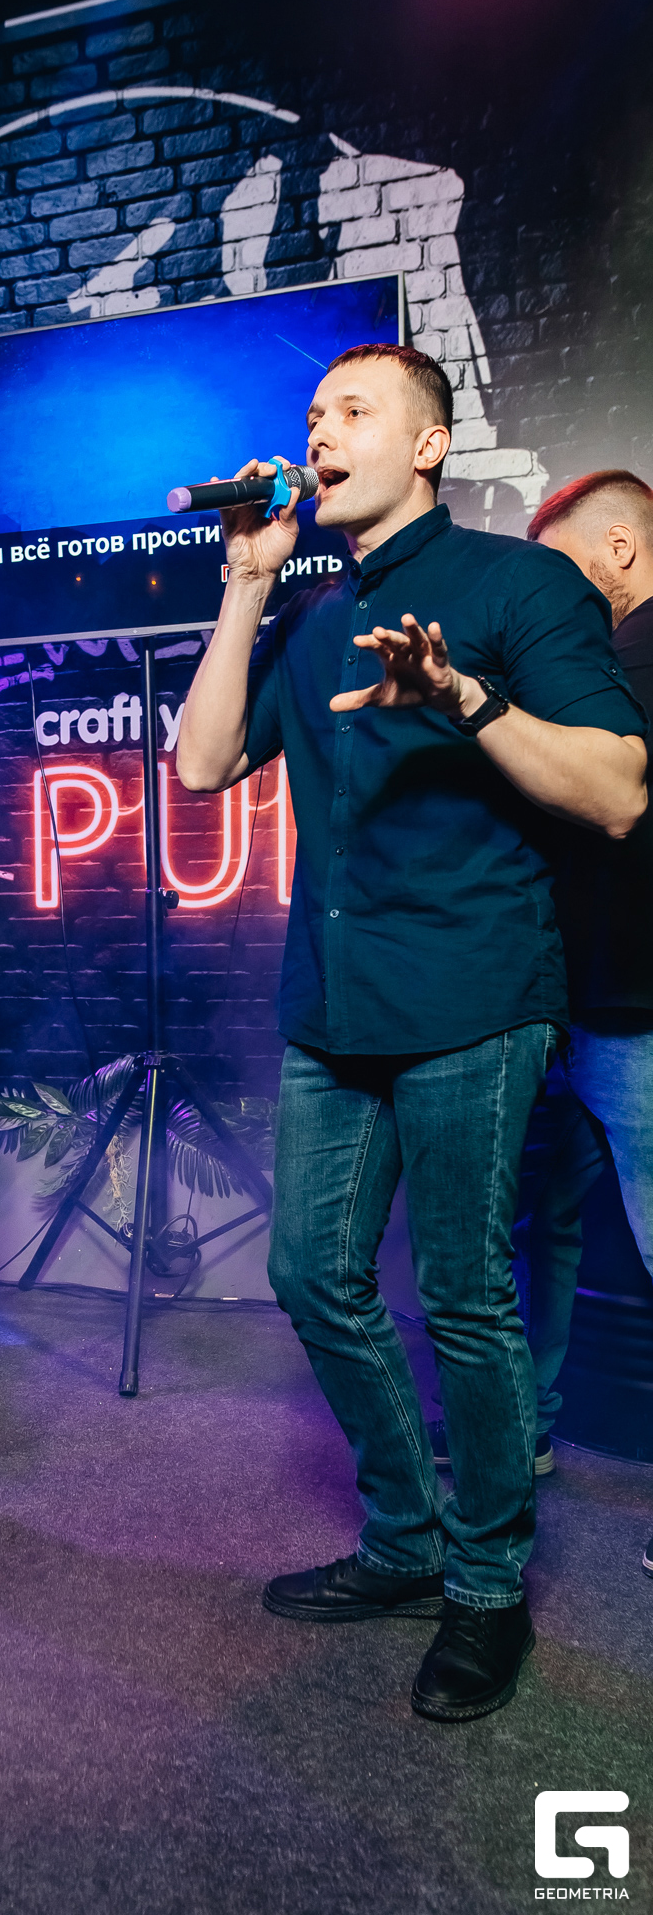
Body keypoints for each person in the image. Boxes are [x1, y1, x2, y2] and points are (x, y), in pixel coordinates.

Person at [177, 344, 648, 1721]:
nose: (317, 432)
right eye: (310, 414)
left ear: (429, 445)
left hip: (474, 1004)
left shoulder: (521, 585)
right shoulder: (314, 613)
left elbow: (618, 789)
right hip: (334, 1010)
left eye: (351, 411)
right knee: (311, 1275)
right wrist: (246, 581)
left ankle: (487, 1586)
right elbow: (201, 764)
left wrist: (463, 699)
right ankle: (405, 1541)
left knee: (464, 1296)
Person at [512, 471, 651, 1580]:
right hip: (584, 1008)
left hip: (635, 1015)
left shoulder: (631, 659)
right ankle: (521, 1430)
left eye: (563, 569)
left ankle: (521, 1430)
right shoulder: (601, 661)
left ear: (619, 550)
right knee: (542, 1228)